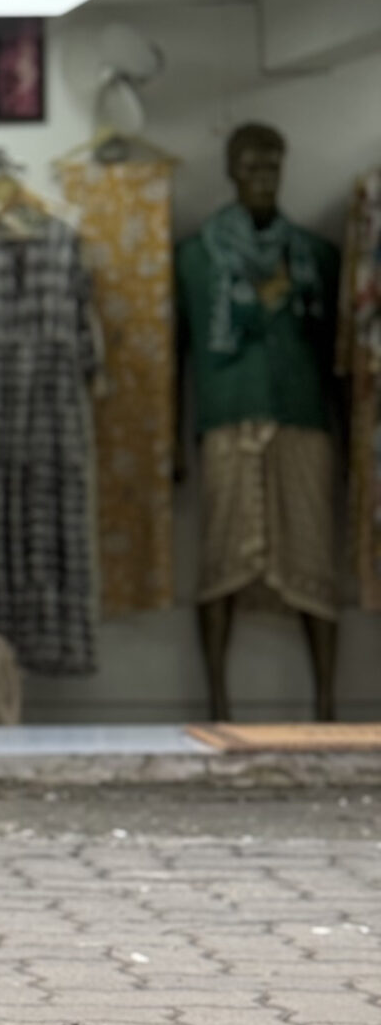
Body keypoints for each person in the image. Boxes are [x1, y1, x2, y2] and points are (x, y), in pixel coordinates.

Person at [178, 122, 341, 719]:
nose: (263, 179)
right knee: (220, 557)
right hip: (227, 418)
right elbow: (176, 355)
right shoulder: (196, 257)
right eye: (251, 167)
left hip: (303, 421)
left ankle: (326, 706)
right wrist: (172, 443)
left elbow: (339, 360)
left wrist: (351, 440)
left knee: (314, 555)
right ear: (231, 171)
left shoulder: (316, 257)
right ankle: (218, 705)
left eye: (273, 166)